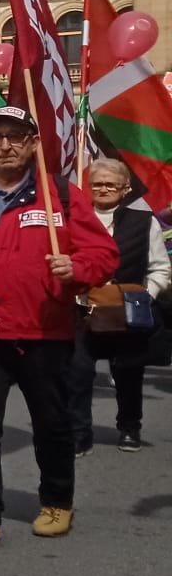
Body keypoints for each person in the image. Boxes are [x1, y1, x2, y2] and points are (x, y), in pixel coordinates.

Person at [0, 105, 116, 554]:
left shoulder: (62, 197)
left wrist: (78, 266)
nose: (5, 145)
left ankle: (56, 501)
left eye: (15, 136)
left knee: (52, 424)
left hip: (45, 334)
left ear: (33, 143)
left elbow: (103, 254)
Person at [68, 158, 169, 453]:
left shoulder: (144, 221)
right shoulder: (76, 219)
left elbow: (160, 268)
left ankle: (129, 427)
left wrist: (144, 296)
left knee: (128, 373)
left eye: (111, 184)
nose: (103, 189)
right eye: (97, 184)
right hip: (83, 311)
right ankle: (79, 433)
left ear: (125, 189)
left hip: (126, 313)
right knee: (78, 373)